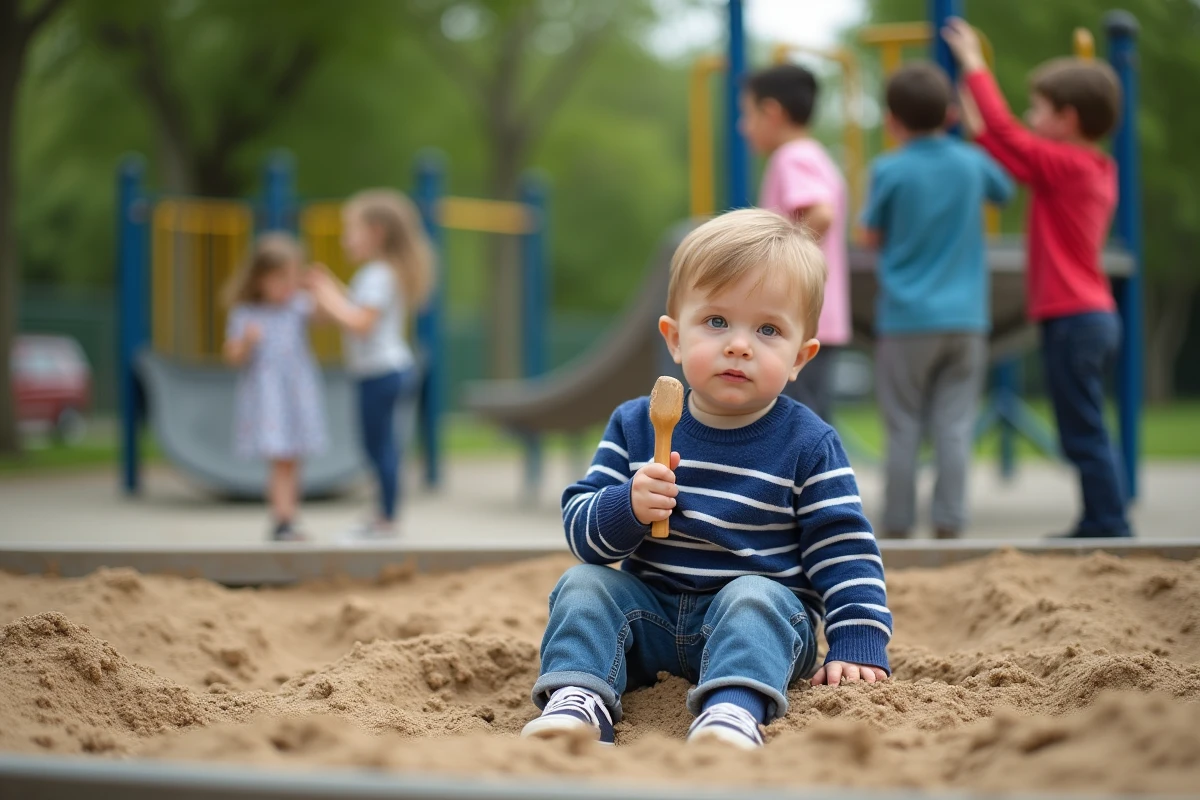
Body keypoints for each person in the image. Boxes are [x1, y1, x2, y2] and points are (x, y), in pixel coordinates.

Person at [520, 210, 891, 750]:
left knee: (754, 597)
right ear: (674, 338)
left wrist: (857, 639)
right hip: (651, 618)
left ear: (800, 357)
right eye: (716, 322)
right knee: (584, 586)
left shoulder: (809, 444)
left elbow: (845, 550)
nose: (739, 345)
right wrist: (628, 506)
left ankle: (732, 710)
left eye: (768, 330)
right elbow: (583, 534)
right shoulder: (637, 424)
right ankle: (580, 698)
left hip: (760, 629)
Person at [943, 19, 1132, 538]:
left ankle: (1109, 522)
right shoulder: (1088, 167)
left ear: (1067, 120)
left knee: (1083, 431)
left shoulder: (1070, 166)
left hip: (1075, 317)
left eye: (1040, 109)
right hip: (1084, 316)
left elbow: (1007, 135)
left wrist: (974, 64)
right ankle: (1100, 519)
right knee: (1082, 427)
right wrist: (970, 105)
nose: (1031, 117)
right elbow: (999, 145)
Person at [861, 62, 1014, 540]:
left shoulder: (889, 169)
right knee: (954, 424)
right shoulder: (971, 162)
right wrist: (972, 124)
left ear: (892, 120)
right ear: (950, 114)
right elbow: (1005, 190)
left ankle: (898, 522)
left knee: (903, 424)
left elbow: (869, 236)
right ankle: (949, 520)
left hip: (906, 319)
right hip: (966, 319)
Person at [307, 189, 435, 540]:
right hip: (381, 370)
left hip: (382, 371)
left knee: (380, 447)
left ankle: (387, 518)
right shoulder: (378, 274)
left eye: (352, 230)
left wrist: (327, 294)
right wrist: (329, 293)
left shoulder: (378, 274)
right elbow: (351, 310)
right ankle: (382, 513)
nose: (345, 239)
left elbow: (361, 323)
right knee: (377, 446)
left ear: (376, 232)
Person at [740, 63, 850, 423]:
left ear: (772, 113)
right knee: (810, 419)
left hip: (795, 313)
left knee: (791, 422)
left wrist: (776, 263)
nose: (743, 126)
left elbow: (821, 213)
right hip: (817, 314)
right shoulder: (815, 155)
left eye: (747, 114)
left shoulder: (792, 157)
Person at [223, 233, 327, 542]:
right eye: (281, 278)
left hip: (297, 393)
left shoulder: (297, 306)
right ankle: (282, 519)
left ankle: (289, 515)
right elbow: (232, 356)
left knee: (294, 458)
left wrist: (319, 289)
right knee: (280, 459)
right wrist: (246, 342)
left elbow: (324, 318)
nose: (287, 286)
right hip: (270, 397)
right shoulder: (246, 313)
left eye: (292, 278)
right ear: (260, 278)